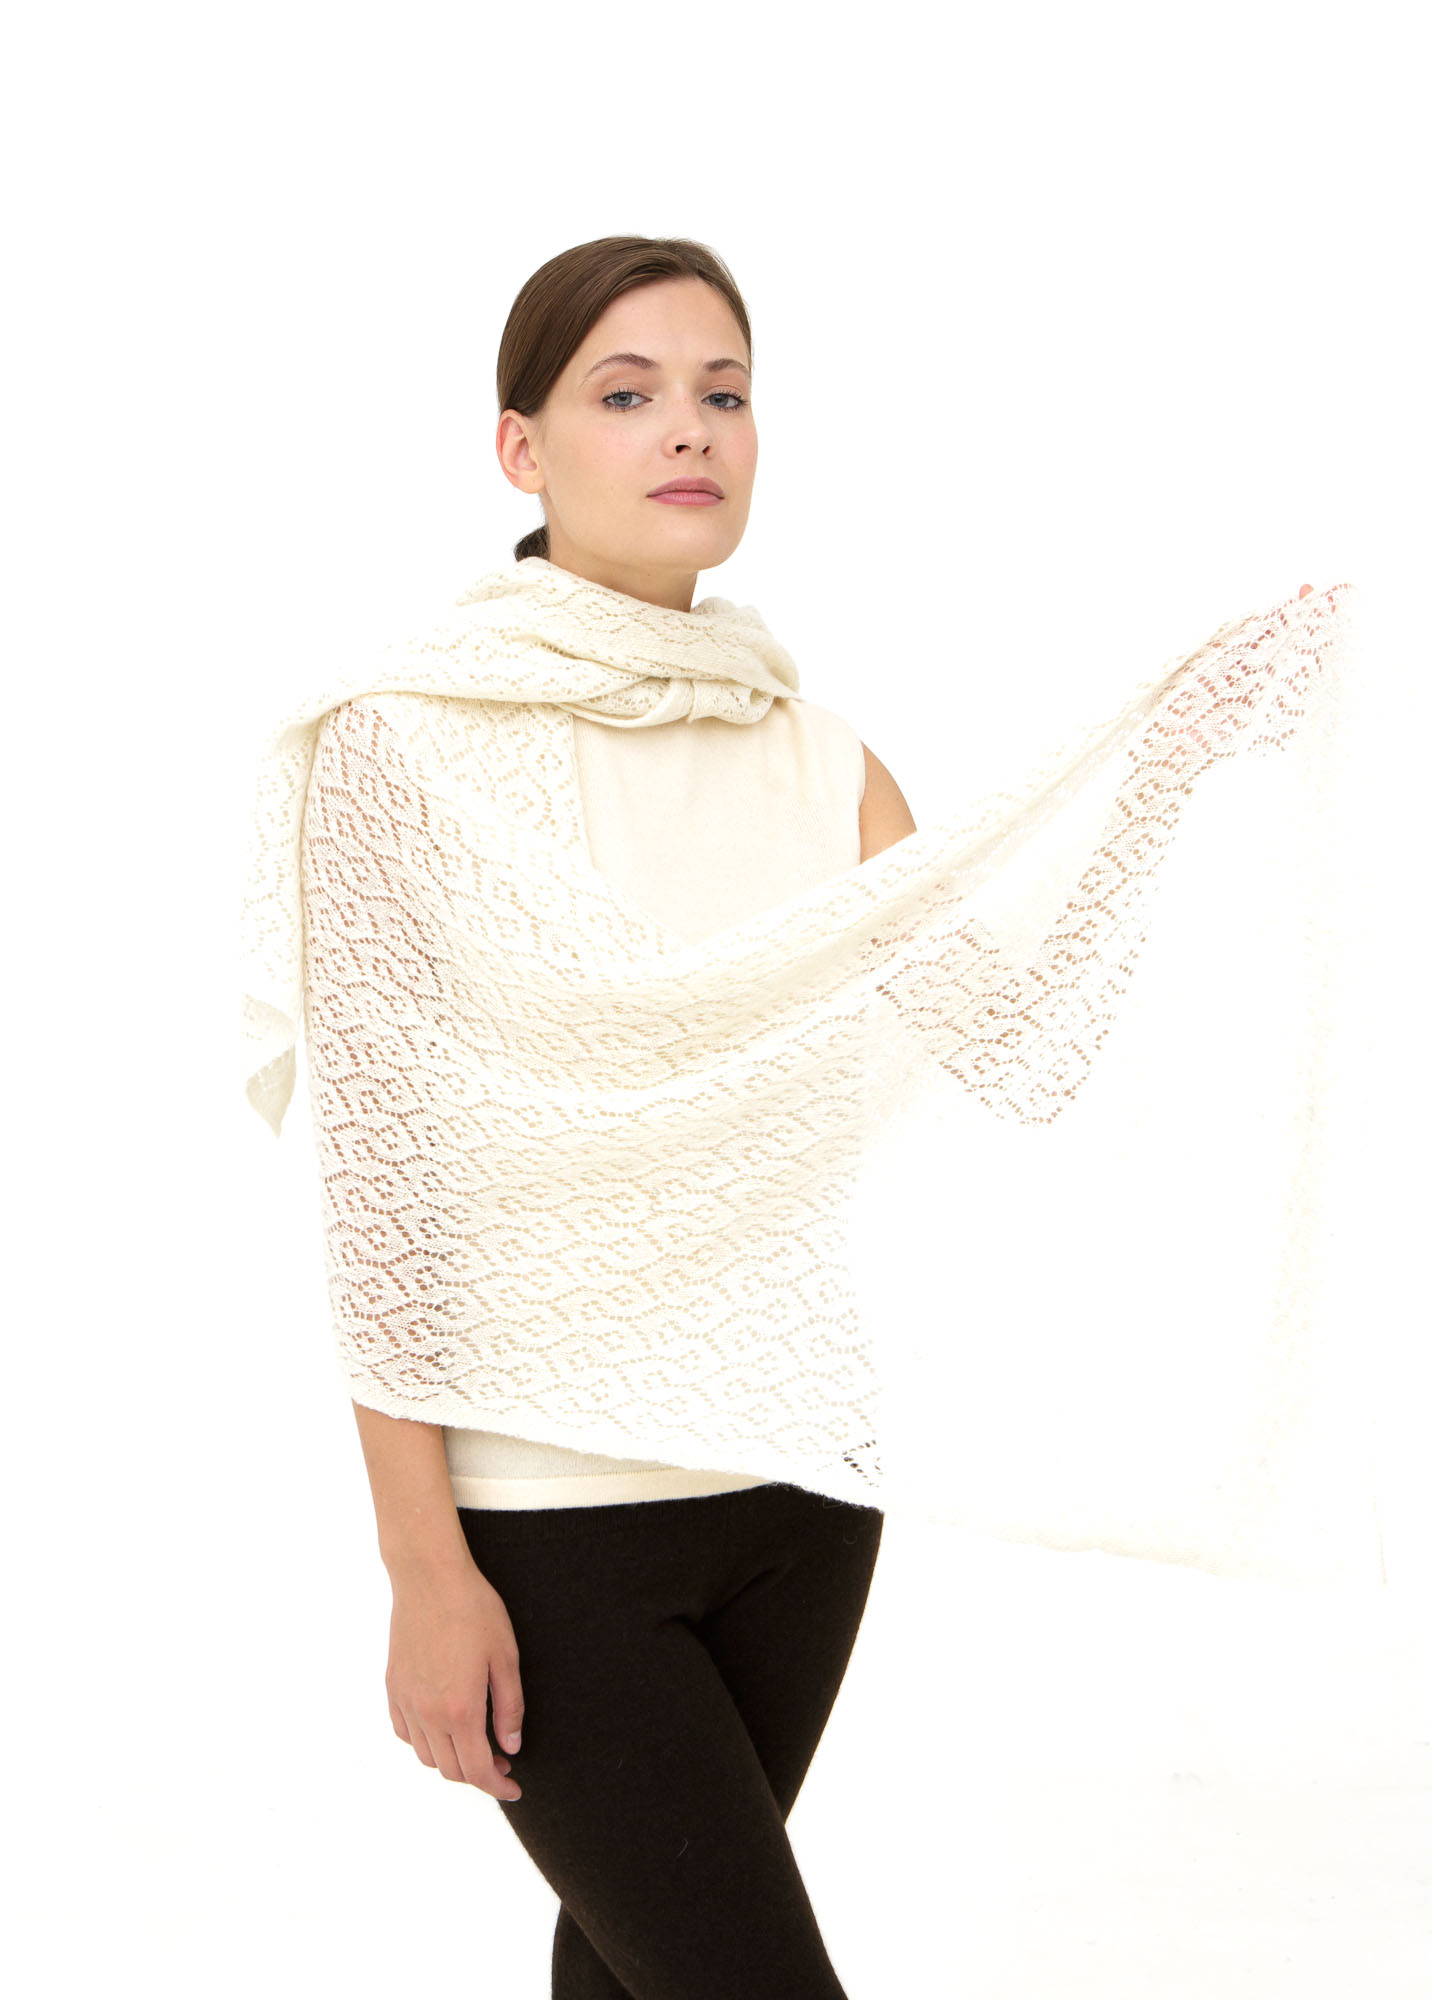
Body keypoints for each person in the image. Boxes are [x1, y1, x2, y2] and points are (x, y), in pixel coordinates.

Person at [345, 237, 914, 2000]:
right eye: (628, 391)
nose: (691, 428)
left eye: (724, 392)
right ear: (520, 449)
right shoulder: (403, 746)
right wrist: (424, 1567)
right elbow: (384, 1185)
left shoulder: (822, 757)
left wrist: (1183, 752)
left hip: (804, 1496)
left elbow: (998, 1017)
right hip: (551, 1521)